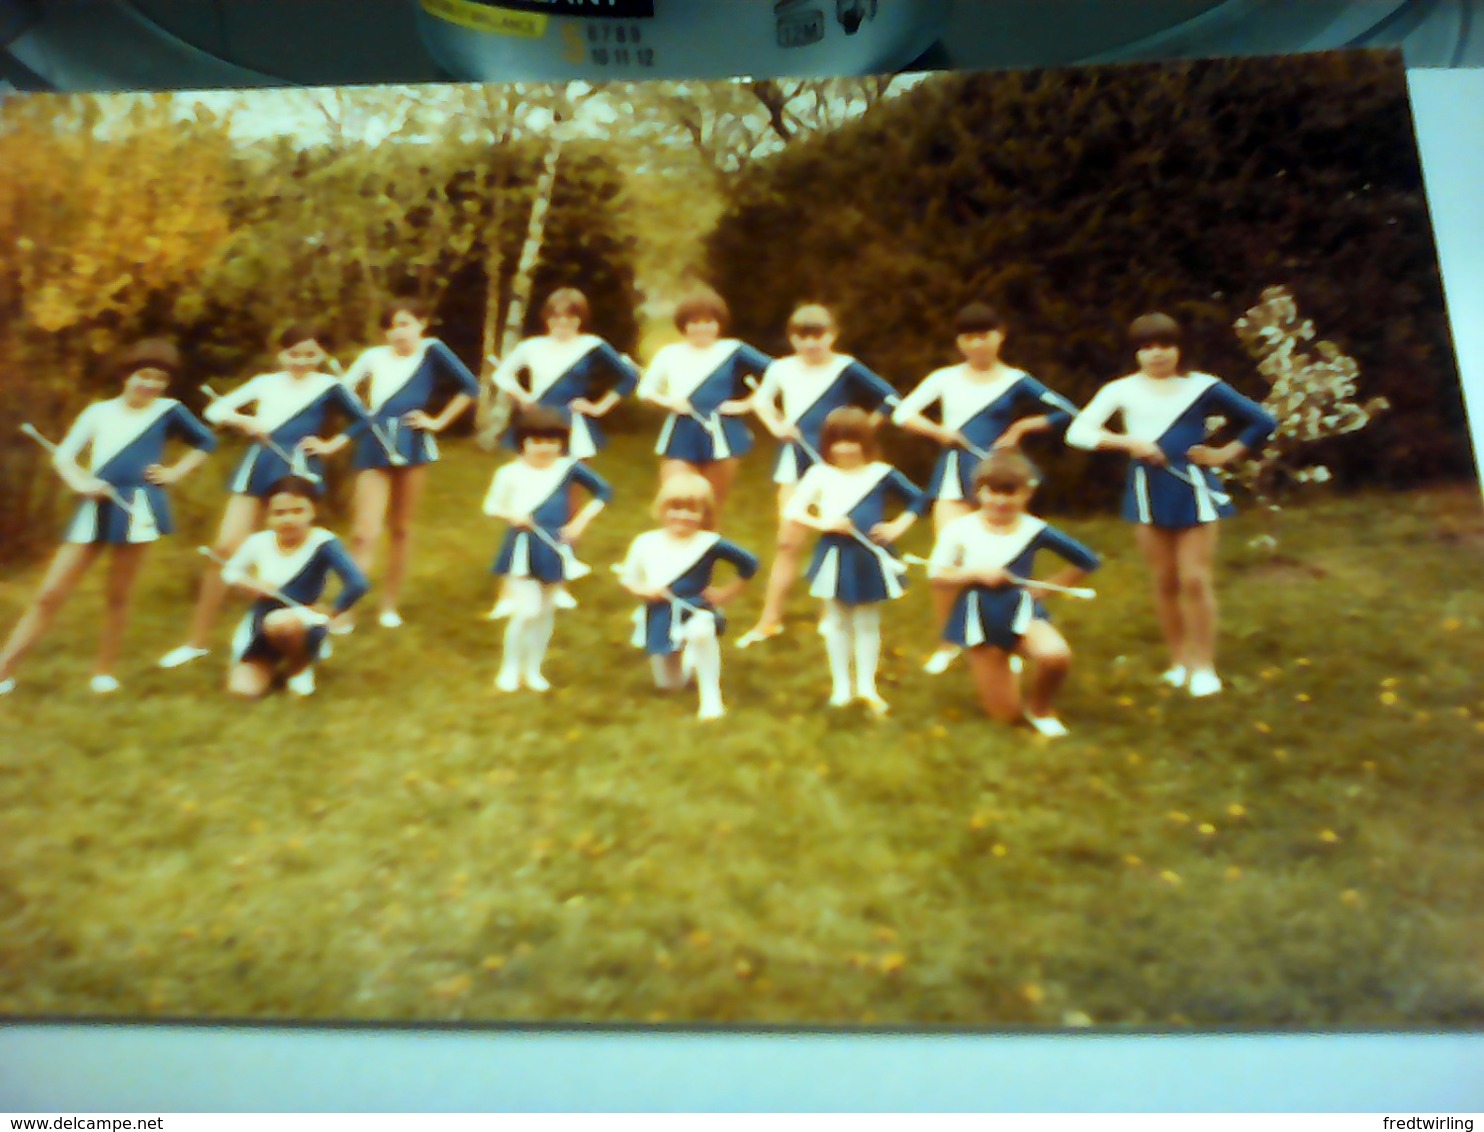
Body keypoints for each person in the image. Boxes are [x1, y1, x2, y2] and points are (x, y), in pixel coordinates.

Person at [1066, 312, 1276, 697]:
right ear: (1136, 354)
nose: (1156, 354)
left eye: (1164, 345)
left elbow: (1262, 420)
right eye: (1146, 348)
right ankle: (1179, 660)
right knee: (1164, 581)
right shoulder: (1120, 390)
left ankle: (1204, 666)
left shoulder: (1203, 386)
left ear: (1179, 349)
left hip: (1194, 488)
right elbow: (1077, 432)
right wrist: (1128, 443)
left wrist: (1225, 453)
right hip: (1147, 491)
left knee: (1194, 579)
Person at [0, 340, 215, 696]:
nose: (149, 385)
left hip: (137, 509)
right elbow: (64, 457)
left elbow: (206, 442)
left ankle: (104, 671)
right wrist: (82, 485)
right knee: (49, 594)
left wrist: (175, 473)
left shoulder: (169, 410)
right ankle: (5, 667)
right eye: (143, 376)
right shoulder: (98, 412)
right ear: (126, 375)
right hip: (94, 507)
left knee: (118, 594)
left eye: (159, 379)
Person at [158, 323, 372, 669]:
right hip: (258, 464)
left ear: (321, 354)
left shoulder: (329, 386)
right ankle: (196, 641)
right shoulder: (264, 383)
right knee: (225, 549)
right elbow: (215, 410)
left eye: (310, 353)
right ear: (280, 353)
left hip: (299, 468)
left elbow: (362, 420)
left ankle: (305, 633)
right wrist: (245, 423)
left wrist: (332, 445)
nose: (301, 360)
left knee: (301, 552)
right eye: (294, 353)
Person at [892, 302, 1078, 675]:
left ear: (1000, 335)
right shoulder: (944, 378)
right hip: (952, 479)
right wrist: (938, 431)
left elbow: (1068, 411)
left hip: (1001, 481)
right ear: (960, 341)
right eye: (968, 337)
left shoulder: (1016, 379)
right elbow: (902, 413)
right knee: (948, 563)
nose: (977, 345)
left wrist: (1021, 428)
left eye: (984, 336)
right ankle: (948, 643)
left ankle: (1007, 638)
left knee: (1005, 564)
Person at [738, 303, 901, 647]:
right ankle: (770, 620)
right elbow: (762, 402)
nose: (811, 344)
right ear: (792, 338)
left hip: (838, 466)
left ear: (833, 336)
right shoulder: (781, 368)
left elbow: (890, 398)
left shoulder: (846, 367)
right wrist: (776, 425)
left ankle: (833, 614)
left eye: (819, 336)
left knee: (840, 536)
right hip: (795, 459)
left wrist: (862, 433)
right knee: (788, 540)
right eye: (803, 336)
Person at [927, 451, 1100, 737]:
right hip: (978, 619)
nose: (1001, 501)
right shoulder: (959, 529)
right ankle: (1005, 665)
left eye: (1011, 493)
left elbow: (1087, 560)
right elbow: (937, 577)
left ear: (1026, 494)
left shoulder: (1034, 529)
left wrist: (1045, 588)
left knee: (1055, 656)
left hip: (1021, 610)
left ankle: (1041, 707)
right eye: (993, 492)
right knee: (1006, 717)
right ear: (979, 492)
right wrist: (973, 574)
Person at [340, 299, 480, 629]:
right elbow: (341, 390)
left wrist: (439, 421)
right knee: (364, 532)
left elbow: (470, 387)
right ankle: (346, 608)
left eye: (405, 324)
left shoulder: (433, 350)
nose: (398, 332)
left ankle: (390, 604)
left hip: (412, 441)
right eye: (391, 326)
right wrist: (358, 409)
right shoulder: (371, 357)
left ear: (421, 324)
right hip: (374, 443)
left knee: (401, 528)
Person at [783, 407, 926, 714]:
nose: (845, 448)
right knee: (836, 620)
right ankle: (841, 687)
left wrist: (897, 526)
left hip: (869, 558)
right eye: (837, 440)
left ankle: (866, 686)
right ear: (827, 443)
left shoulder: (880, 473)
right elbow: (793, 510)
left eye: (853, 440)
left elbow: (918, 498)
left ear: (867, 441)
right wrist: (826, 524)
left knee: (867, 621)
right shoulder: (820, 474)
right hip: (835, 555)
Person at [483, 407, 613, 693]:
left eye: (552, 441)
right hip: (522, 547)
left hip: (554, 545)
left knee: (545, 611)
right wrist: (512, 516)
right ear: (522, 443)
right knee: (527, 610)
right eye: (536, 441)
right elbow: (491, 506)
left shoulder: (567, 468)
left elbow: (604, 492)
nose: (544, 448)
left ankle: (533, 669)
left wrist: (580, 523)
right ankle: (510, 667)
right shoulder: (509, 472)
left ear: (562, 442)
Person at [616, 473, 758, 721]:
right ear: (662, 509)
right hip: (660, 614)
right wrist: (643, 591)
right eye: (675, 508)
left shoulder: (709, 543)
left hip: (695, 609)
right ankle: (691, 660)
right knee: (671, 686)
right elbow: (628, 577)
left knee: (701, 630)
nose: (682, 516)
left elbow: (749, 564)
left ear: (705, 514)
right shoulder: (645, 542)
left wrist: (727, 593)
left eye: (692, 510)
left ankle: (712, 700)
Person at [220, 476, 369, 699]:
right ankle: (268, 661)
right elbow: (230, 571)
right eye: (279, 513)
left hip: (302, 622)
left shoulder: (323, 542)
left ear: (313, 511)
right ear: (267, 515)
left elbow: (357, 583)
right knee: (243, 691)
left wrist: (332, 612)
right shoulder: (259, 542)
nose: (289, 519)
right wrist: (251, 584)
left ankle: (299, 665)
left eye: (298, 511)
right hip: (261, 622)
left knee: (282, 624)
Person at [637, 287, 772, 522]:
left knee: (709, 509)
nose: (702, 328)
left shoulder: (733, 350)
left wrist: (748, 404)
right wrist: (668, 401)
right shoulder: (669, 354)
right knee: (674, 500)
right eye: (694, 322)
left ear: (719, 324)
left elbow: (779, 373)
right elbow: (645, 391)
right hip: (681, 432)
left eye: (709, 321)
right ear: (683, 325)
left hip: (723, 434)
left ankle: (706, 555)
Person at [491, 288, 640, 461]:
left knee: (573, 482)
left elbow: (629, 377)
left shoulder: (591, 345)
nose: (563, 322)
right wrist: (522, 396)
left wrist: (599, 408)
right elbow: (502, 375)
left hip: (574, 423)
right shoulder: (531, 346)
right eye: (555, 316)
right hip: (538, 418)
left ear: (580, 319)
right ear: (547, 318)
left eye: (570, 317)